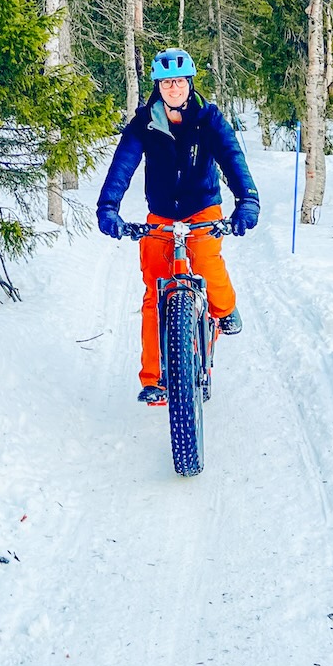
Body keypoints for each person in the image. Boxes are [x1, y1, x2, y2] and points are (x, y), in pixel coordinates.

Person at [96, 49, 260, 405]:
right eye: (167, 82)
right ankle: (155, 380)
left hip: (202, 208)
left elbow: (233, 158)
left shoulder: (209, 118)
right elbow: (122, 164)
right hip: (161, 215)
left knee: (204, 260)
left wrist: (247, 200)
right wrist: (109, 207)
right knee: (156, 288)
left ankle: (225, 309)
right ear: (159, 86)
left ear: (190, 83)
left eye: (180, 82)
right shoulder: (144, 122)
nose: (174, 88)